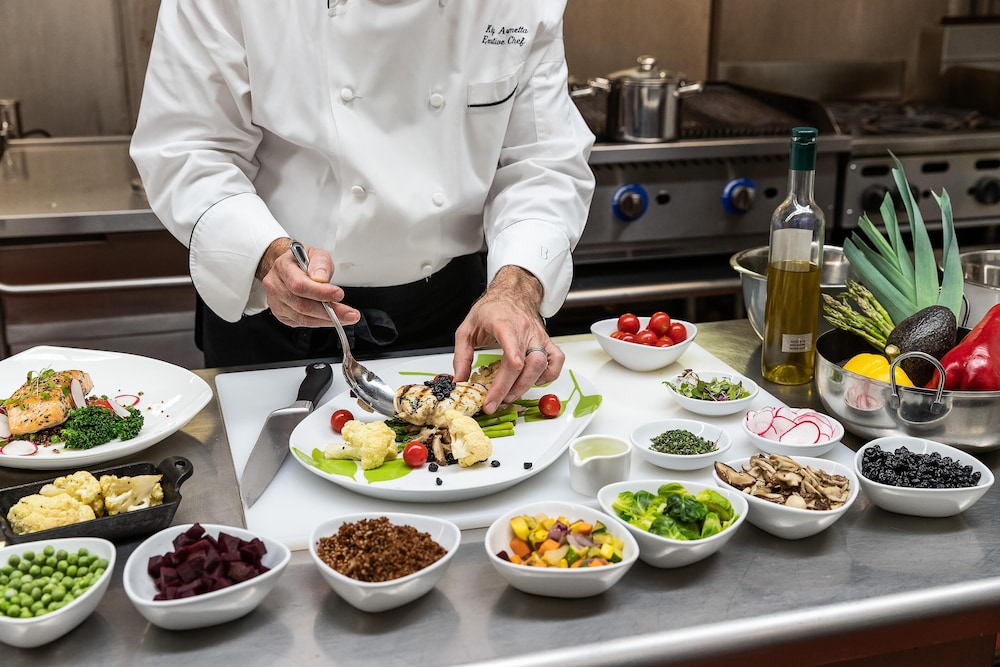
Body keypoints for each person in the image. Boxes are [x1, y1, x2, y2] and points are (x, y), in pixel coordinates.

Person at [130, 1, 595, 415]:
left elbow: (541, 160)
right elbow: (190, 147)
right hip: (274, 314)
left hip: (452, 324)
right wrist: (267, 255)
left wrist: (517, 287)